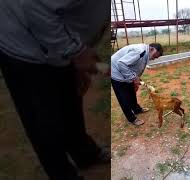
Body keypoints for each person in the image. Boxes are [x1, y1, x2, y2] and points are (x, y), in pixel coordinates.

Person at [0, 1, 109, 180]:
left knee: (71, 99)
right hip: (21, 38)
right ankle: (63, 175)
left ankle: (85, 153)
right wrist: (76, 51)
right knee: (42, 118)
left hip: (56, 32)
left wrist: (75, 57)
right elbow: (33, 5)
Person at [111, 43, 163, 125]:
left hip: (125, 73)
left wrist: (136, 78)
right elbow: (121, 63)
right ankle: (131, 118)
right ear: (152, 49)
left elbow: (135, 66)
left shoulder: (146, 53)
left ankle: (136, 109)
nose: (155, 58)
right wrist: (133, 78)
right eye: (156, 56)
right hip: (115, 72)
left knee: (131, 92)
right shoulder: (140, 51)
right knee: (123, 97)